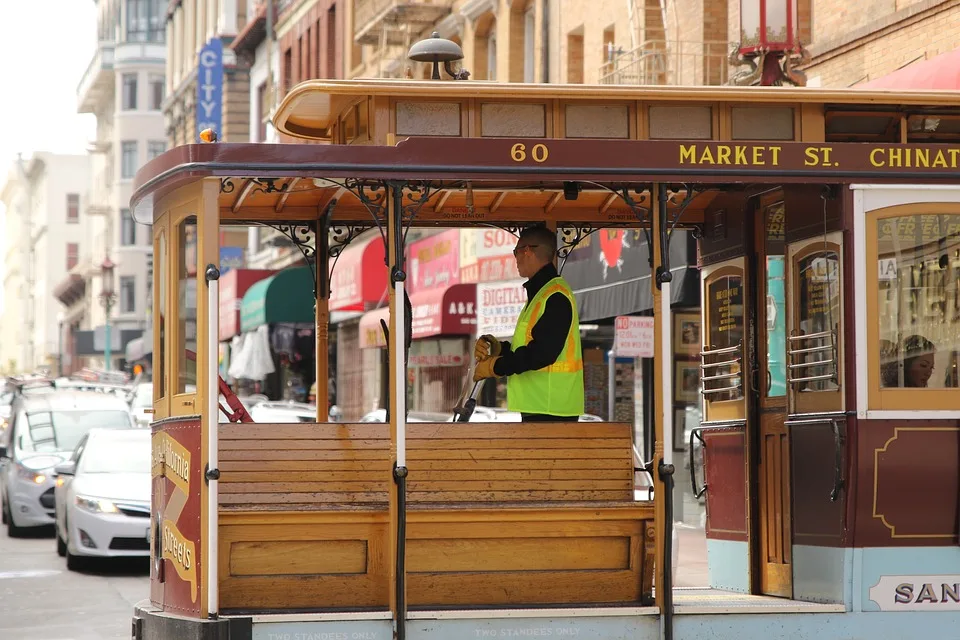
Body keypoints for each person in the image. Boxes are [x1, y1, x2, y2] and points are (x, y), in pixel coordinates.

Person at [472, 226, 584, 422]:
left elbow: (541, 354)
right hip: (542, 407)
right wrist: (496, 348)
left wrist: (494, 367)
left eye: (516, 253)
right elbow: (527, 348)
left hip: (552, 409)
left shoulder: (555, 295)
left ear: (527, 251)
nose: (515, 259)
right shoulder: (542, 293)